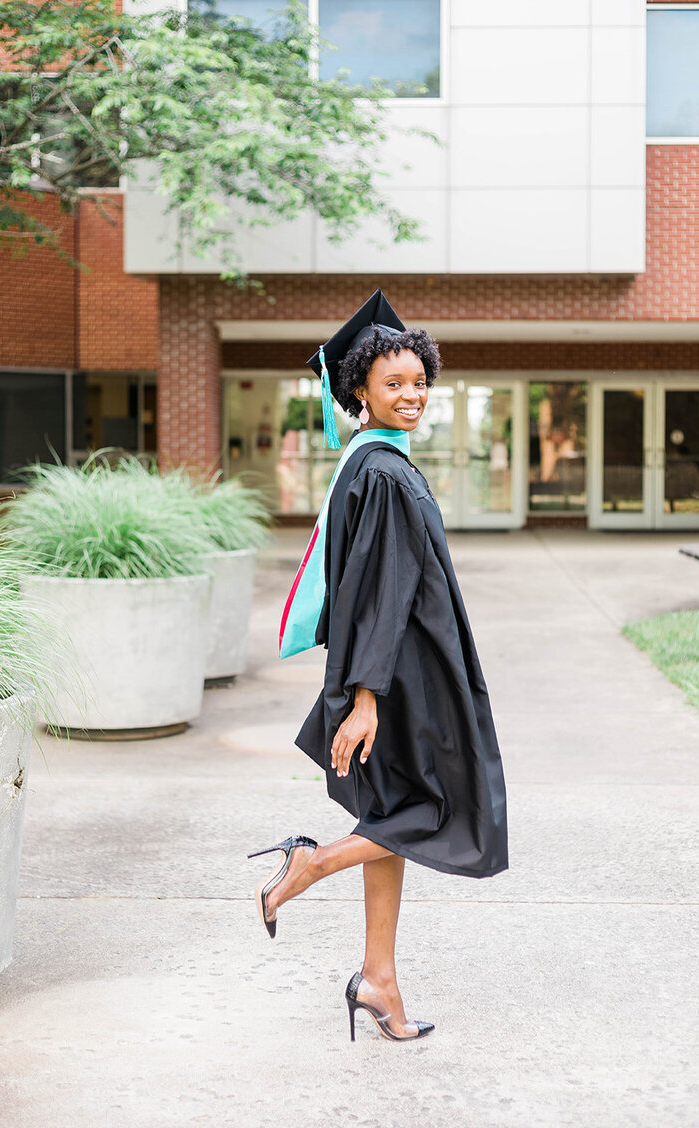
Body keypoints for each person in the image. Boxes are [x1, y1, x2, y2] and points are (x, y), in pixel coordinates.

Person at [248, 290, 508, 1042]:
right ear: (358, 390)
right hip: (402, 681)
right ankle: (309, 864)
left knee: (390, 817)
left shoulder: (368, 464)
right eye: (393, 384)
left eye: (419, 381)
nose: (411, 395)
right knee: (441, 809)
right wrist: (367, 699)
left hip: (391, 673)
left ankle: (379, 981)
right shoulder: (384, 474)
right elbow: (382, 595)